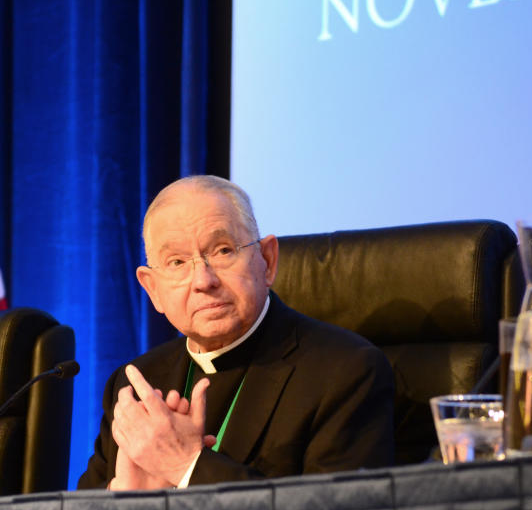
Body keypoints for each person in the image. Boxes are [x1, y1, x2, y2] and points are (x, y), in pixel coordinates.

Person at [77, 176, 395, 491]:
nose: (203, 280)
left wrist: (186, 466)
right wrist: (120, 500)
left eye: (223, 250)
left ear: (267, 261)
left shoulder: (344, 372)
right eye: (176, 262)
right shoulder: (136, 385)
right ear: (153, 289)